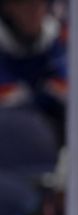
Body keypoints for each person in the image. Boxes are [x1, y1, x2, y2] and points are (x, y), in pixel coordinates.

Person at [0, 0, 67, 135]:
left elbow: (64, 89)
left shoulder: (53, 38)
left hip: (49, 126)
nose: (34, 12)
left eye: (39, 4)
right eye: (26, 5)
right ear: (8, 8)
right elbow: (7, 97)